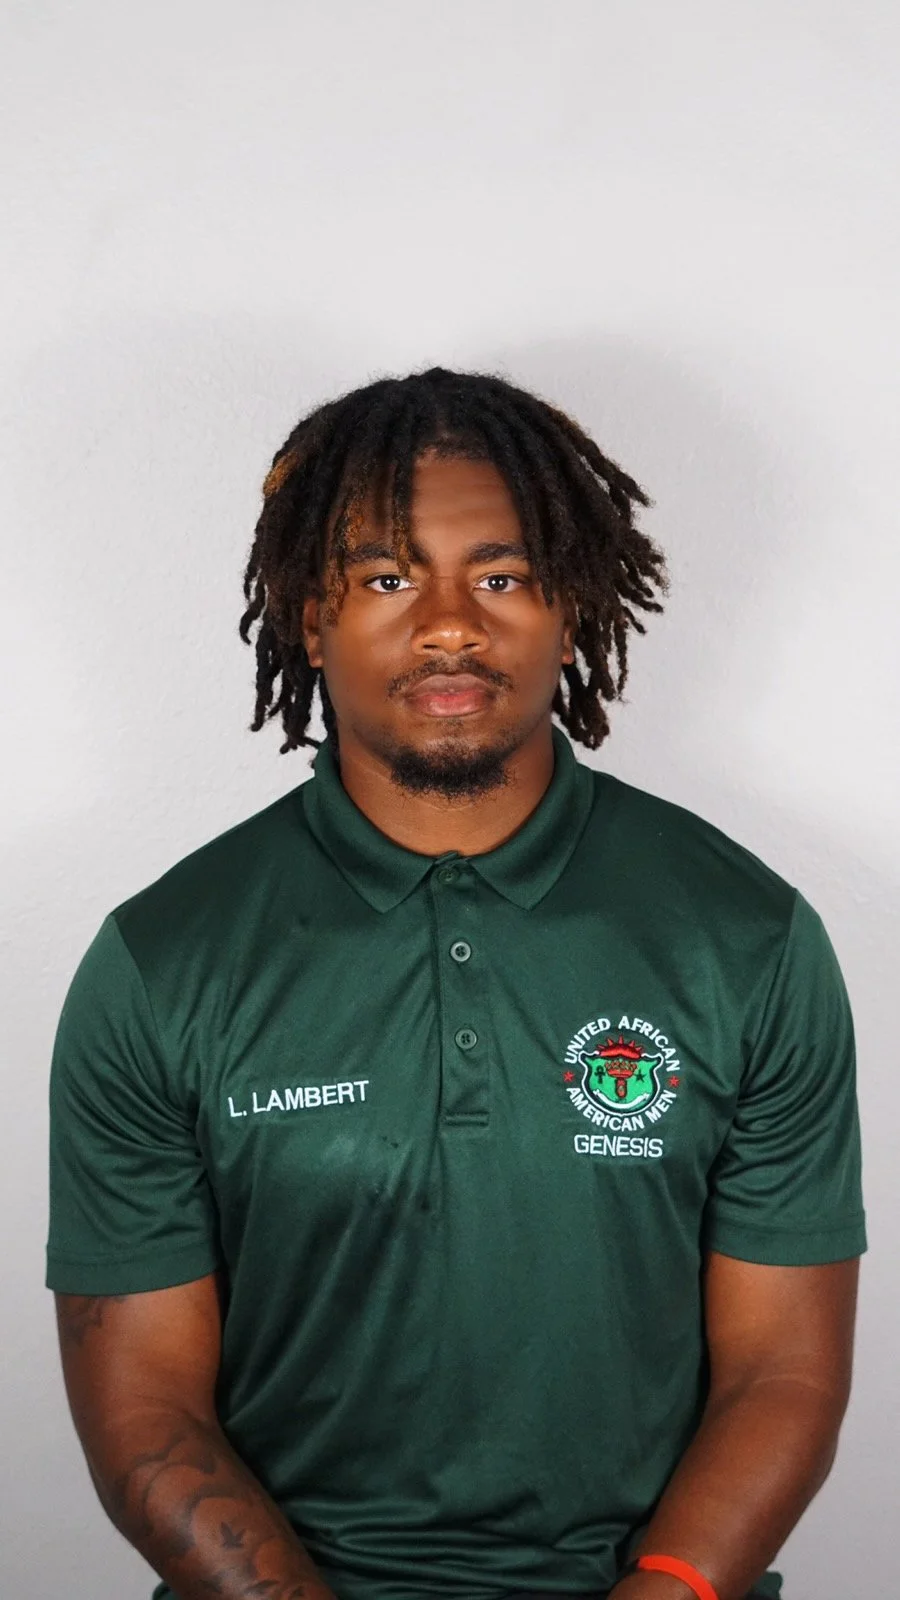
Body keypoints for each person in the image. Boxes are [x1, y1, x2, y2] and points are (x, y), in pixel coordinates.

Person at [46, 366, 866, 1600]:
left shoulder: (747, 936)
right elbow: (145, 1406)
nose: (448, 625)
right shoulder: (161, 962)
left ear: (571, 606)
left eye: (501, 574)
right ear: (310, 618)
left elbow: (783, 1373)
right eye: (387, 577)